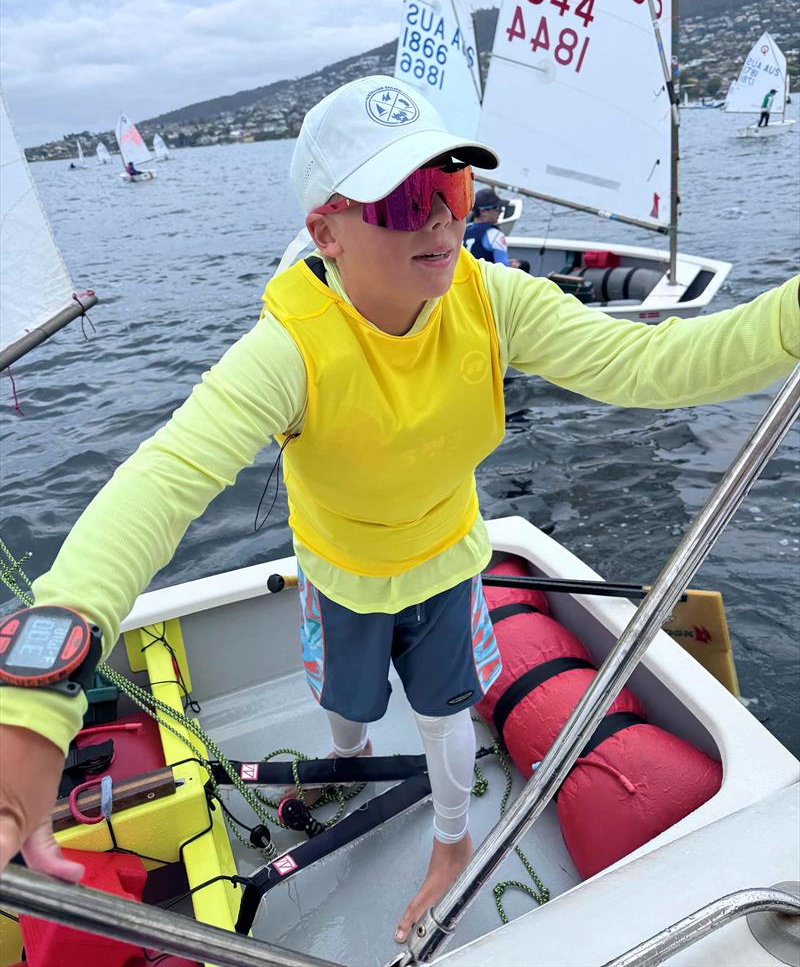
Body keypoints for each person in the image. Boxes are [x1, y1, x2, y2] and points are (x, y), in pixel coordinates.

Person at [0, 74, 798, 946]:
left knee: (445, 717)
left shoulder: (491, 300)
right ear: (326, 233)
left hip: (447, 566)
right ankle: (344, 758)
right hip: (339, 575)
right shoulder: (289, 350)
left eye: (453, 187)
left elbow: (656, 364)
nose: (442, 223)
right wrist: (37, 695)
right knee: (344, 706)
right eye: (407, 199)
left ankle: (453, 844)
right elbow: (164, 479)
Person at [463, 188, 510, 265]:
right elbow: (503, 267)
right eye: (497, 208)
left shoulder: (464, 230)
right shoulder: (495, 235)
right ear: (483, 211)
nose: (501, 211)